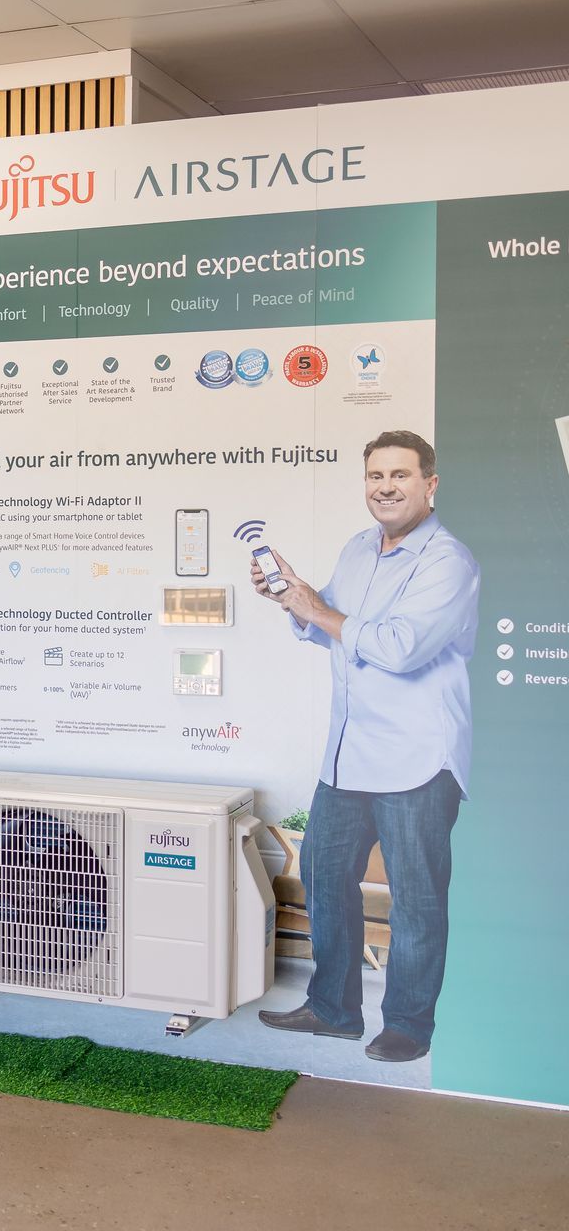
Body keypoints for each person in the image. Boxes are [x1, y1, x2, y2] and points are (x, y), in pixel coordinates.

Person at [254, 430, 479, 1064]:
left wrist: (315, 609)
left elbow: (400, 648)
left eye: (400, 476)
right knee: (327, 880)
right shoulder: (358, 548)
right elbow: (328, 626)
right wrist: (292, 597)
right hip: (347, 755)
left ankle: (408, 1024)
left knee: (416, 898)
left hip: (417, 760)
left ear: (430, 485)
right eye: (376, 475)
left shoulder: (448, 561)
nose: (385, 487)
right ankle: (333, 1009)